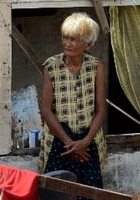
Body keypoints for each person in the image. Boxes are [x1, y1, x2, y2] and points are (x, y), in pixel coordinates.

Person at [38, 12, 107, 194]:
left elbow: (101, 110)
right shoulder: (51, 67)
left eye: (74, 39)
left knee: (90, 194)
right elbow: (46, 110)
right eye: (65, 38)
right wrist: (70, 144)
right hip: (59, 142)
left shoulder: (96, 66)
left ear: (87, 44)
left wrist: (85, 141)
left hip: (89, 140)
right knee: (57, 194)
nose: (67, 43)